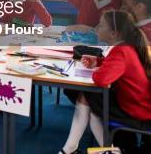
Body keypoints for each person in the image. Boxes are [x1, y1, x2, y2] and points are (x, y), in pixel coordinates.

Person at [59, 10, 151, 154]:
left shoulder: (121, 51)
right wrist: (100, 62)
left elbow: (101, 80)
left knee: (90, 101)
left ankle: (101, 151)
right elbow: (121, 67)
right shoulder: (126, 47)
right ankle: (72, 149)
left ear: (113, 33)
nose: (97, 28)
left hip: (136, 112)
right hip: (140, 105)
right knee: (90, 100)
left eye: (101, 25)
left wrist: (99, 69)